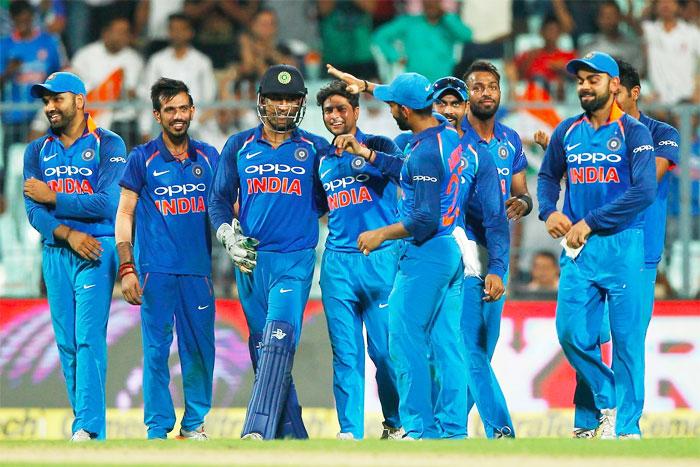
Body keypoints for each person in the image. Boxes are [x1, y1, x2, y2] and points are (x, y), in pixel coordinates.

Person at [328, 64, 476, 439]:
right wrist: (365, 90)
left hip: (427, 250)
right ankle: (453, 430)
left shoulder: (425, 152)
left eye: (394, 105)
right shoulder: (444, 129)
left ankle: (418, 428)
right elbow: (406, 168)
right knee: (446, 344)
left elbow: (423, 218)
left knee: (405, 341)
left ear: (406, 111)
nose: (390, 110)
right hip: (453, 249)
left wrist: (381, 234)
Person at [537, 51, 657, 439]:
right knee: (570, 333)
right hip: (579, 249)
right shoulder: (567, 131)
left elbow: (644, 192)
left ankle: (626, 428)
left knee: (626, 342)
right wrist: (547, 212)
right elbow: (547, 175)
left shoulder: (634, 132)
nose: (585, 86)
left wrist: (590, 222)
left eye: (594, 79)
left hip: (623, 245)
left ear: (614, 85)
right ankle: (607, 398)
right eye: (580, 80)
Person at [209, 64, 328, 440]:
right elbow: (218, 199)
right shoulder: (238, 146)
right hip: (250, 263)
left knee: (279, 338)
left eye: (290, 98)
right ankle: (293, 435)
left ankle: (255, 430)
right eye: (275, 99)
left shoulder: (315, 148)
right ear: (261, 102)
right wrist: (228, 236)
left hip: (294, 259)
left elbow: (330, 200)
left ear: (301, 103)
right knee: (263, 349)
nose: (282, 106)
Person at [570, 59, 680, 440]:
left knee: (628, 340)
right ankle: (589, 421)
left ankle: (626, 427)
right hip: (593, 246)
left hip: (641, 250)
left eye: (616, 91)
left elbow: (650, 176)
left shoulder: (660, 131)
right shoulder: (588, 131)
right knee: (583, 336)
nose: (609, 97)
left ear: (632, 92)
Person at [22, 72, 127, 441]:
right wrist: (67, 231)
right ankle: (86, 427)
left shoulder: (109, 144)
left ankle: (87, 427)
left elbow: (108, 203)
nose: (50, 106)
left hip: (96, 250)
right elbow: (32, 212)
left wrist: (54, 198)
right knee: (67, 343)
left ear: (80, 101)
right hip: (57, 251)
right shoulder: (36, 151)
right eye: (46, 100)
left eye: (57, 98)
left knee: (87, 339)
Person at [115, 78, 219, 441]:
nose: (178, 116)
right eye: (170, 110)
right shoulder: (141, 158)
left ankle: (194, 425)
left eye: (183, 108)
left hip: (198, 272)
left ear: (193, 110)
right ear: (157, 115)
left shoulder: (209, 157)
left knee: (200, 351)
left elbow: (225, 206)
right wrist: (126, 266)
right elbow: (125, 213)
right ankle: (157, 428)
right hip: (155, 272)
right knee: (156, 352)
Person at [445, 62, 531, 438]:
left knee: (481, 348)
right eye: (477, 86)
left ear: (500, 92)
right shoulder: (451, 139)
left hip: (497, 251)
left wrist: (523, 204)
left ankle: (452, 428)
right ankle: (501, 429)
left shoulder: (510, 140)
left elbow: (522, 190)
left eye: (492, 86)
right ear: (466, 95)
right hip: (462, 250)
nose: (485, 92)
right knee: (469, 347)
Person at [315, 79, 403, 440]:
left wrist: (365, 154)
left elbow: (405, 174)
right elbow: (320, 207)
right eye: (327, 111)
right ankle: (349, 431)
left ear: (355, 111)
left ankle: (395, 423)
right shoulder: (321, 160)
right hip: (337, 265)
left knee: (385, 353)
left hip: (381, 259)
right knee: (346, 354)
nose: (334, 116)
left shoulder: (379, 145)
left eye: (340, 109)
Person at [1, 0, 65, 198]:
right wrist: (8, 72)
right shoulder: (4, 45)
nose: (24, 25)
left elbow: (61, 75)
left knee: (48, 165)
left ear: (32, 19)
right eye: (19, 21)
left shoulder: (48, 42)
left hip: (45, 116)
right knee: (12, 166)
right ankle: (7, 203)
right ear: (12, 20)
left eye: (27, 20)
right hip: (14, 117)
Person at [70, 16, 144, 150]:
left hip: (123, 123)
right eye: (119, 32)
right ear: (106, 33)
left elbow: (141, 93)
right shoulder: (85, 56)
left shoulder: (135, 59)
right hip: (90, 121)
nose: (123, 36)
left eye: (126, 33)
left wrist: (131, 93)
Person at [139, 13, 216, 142]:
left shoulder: (202, 62)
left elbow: (209, 96)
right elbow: (148, 95)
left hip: (196, 127)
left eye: (181, 29)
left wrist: (194, 122)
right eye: (173, 29)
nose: (177, 33)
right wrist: (146, 129)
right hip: (162, 127)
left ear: (190, 32)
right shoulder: (157, 61)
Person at [371, 0, 472, 82]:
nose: (431, 4)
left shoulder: (448, 23)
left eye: (434, 2)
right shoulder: (410, 22)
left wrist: (446, 16)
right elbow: (379, 36)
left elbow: (467, 36)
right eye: (427, 2)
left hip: (443, 82)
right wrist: (395, 56)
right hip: (415, 82)